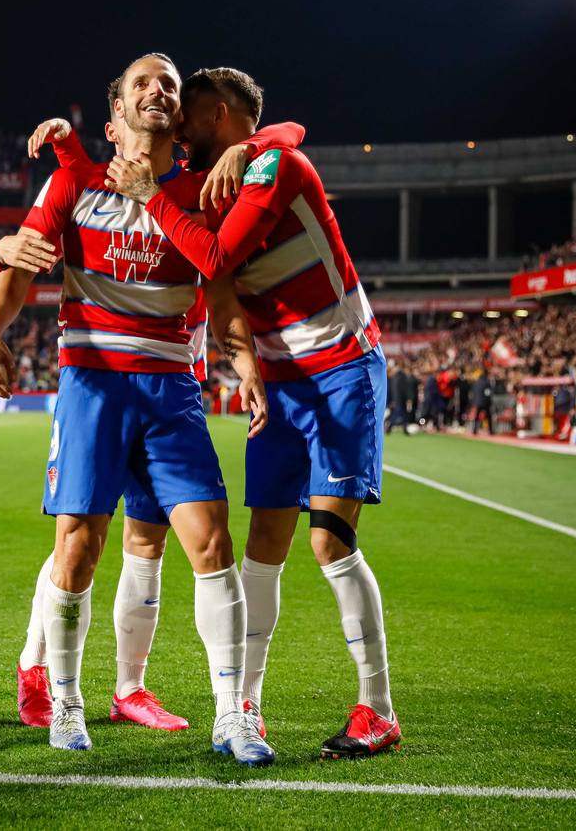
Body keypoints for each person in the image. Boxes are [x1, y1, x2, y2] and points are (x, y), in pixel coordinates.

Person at [0, 53, 275, 765]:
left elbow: (224, 289)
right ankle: (66, 703)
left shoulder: (205, 191)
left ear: (180, 114)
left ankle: (231, 716)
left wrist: (244, 363)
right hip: (94, 385)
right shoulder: (73, 183)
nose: (158, 90)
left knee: (210, 544)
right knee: (78, 550)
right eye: (143, 82)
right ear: (112, 122)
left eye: (169, 85)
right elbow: (20, 266)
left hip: (172, 389)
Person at [107, 66, 400, 759]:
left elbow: (214, 255)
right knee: (261, 548)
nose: (176, 131)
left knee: (328, 540)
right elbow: (216, 280)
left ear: (217, 115)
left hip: (341, 369)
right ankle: (245, 705)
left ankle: (378, 708)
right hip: (279, 383)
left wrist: (156, 189)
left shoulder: (279, 166)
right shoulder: (221, 182)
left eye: (189, 120)